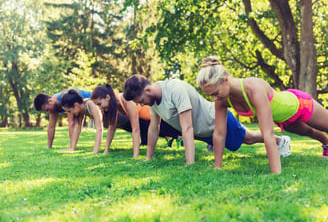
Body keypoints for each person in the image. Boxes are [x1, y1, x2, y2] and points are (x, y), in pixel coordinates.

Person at [123, 75, 290, 172]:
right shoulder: (153, 101)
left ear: (148, 90)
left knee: (248, 138)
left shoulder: (175, 89)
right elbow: (154, 127)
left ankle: (281, 141)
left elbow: (187, 127)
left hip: (215, 122)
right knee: (247, 138)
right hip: (203, 133)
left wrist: (190, 164)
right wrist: (148, 158)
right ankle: (279, 140)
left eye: (142, 101)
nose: (143, 105)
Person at [197, 56, 328, 174]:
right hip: (284, 119)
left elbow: (268, 134)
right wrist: (217, 168)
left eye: (215, 93)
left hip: (299, 104)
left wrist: (275, 174)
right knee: (310, 132)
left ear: (225, 80)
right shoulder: (222, 99)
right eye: (210, 95)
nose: (214, 98)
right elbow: (219, 133)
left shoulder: (254, 88)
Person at [90, 84, 183, 157]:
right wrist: (106, 151)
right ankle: (176, 137)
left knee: (186, 133)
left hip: (161, 121)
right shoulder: (115, 106)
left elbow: (136, 129)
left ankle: (179, 137)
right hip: (149, 123)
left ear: (107, 97)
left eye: (99, 104)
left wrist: (135, 156)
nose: (99, 108)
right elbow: (111, 129)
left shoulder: (125, 100)